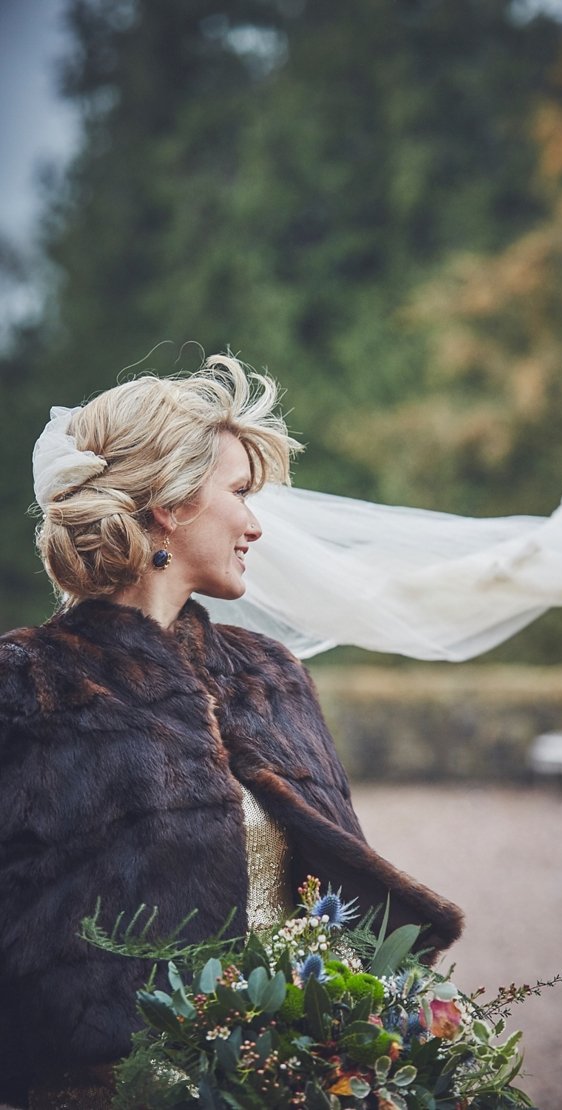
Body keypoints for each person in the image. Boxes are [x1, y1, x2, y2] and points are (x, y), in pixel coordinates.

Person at [0, 356, 463, 1109]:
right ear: (172, 503)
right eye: (241, 492)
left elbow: (329, 901)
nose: (255, 524)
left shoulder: (270, 676)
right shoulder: (24, 688)